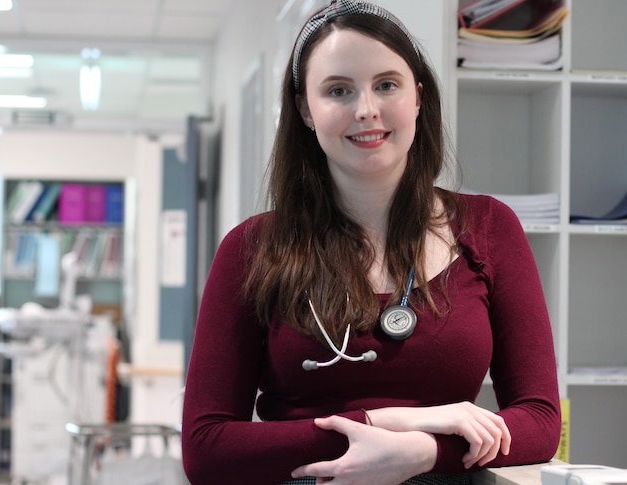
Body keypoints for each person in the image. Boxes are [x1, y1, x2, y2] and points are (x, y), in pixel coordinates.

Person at [180, 1, 560, 484]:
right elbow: (205, 448)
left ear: (418, 97)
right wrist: (385, 423)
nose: (366, 109)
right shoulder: (251, 249)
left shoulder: (489, 227)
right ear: (305, 110)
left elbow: (540, 420)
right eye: (338, 90)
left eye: (387, 85)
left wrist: (423, 451)